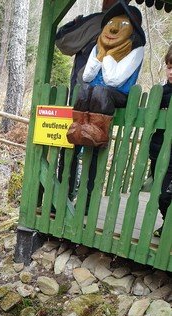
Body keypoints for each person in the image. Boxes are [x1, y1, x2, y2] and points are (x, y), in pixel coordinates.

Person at [56, 0, 125, 200]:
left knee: (73, 144)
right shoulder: (133, 28)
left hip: (85, 95)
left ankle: (63, 199)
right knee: (91, 148)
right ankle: (85, 202)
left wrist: (74, 24)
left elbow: (63, 41)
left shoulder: (97, 22)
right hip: (106, 99)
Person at [67, 1, 145, 148]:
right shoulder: (98, 47)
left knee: (101, 92)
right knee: (84, 89)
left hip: (118, 94)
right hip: (95, 92)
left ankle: (98, 130)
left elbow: (113, 80)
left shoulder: (136, 50)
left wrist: (109, 55)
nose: (114, 28)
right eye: (111, 23)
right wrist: (100, 54)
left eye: (123, 24)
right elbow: (87, 77)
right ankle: (79, 126)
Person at [149, 44, 172, 238]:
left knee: (166, 195)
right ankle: (167, 223)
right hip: (160, 152)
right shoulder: (161, 94)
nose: (171, 72)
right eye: (169, 67)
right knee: (159, 194)